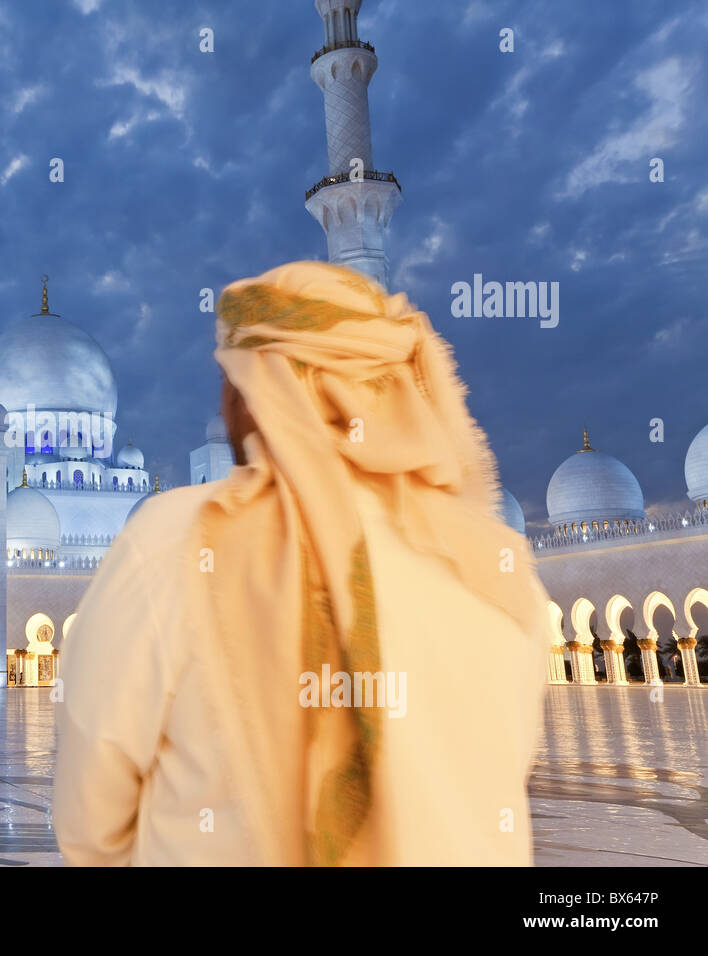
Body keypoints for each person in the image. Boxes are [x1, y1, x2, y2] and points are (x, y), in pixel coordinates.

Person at [52, 261, 548, 866]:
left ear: (269, 386)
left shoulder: (176, 542)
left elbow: (88, 824)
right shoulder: (495, 565)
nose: (226, 403)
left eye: (234, 379)